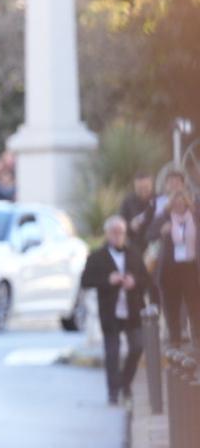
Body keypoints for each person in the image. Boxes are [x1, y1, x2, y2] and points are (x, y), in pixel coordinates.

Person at [82, 215, 150, 403]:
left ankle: (125, 383)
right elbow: (85, 281)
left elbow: (146, 280)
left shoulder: (134, 254)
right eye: (114, 232)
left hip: (132, 309)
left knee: (137, 346)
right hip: (110, 312)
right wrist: (107, 281)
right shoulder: (97, 256)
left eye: (121, 232)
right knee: (112, 353)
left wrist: (133, 282)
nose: (118, 236)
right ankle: (113, 392)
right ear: (107, 234)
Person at [155, 187, 199, 348]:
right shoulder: (164, 217)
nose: (179, 206)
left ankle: (197, 339)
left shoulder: (195, 217)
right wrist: (161, 231)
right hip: (170, 270)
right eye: (175, 203)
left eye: (182, 203)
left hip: (190, 267)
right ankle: (175, 341)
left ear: (187, 203)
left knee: (195, 307)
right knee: (171, 308)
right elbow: (150, 233)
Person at [120, 173, 157, 251]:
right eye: (139, 188)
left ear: (152, 185)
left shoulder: (159, 199)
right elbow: (121, 221)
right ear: (135, 187)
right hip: (135, 241)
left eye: (146, 187)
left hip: (155, 242)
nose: (143, 190)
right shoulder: (128, 201)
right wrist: (130, 224)